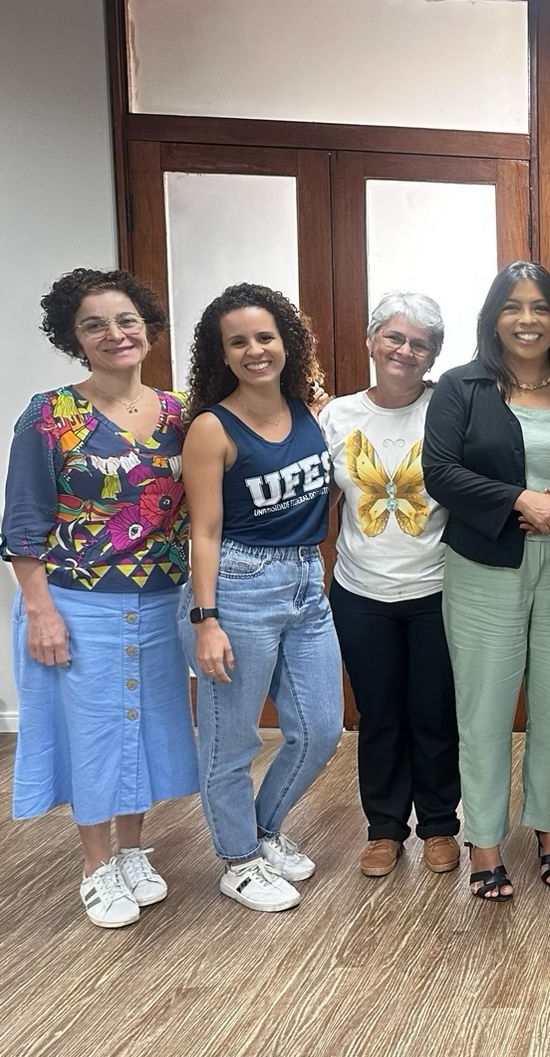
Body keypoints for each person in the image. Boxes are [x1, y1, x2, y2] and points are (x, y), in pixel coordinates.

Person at [2, 269, 197, 928]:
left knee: (142, 730)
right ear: (73, 338)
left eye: (126, 321)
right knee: (90, 736)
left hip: (160, 600)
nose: (115, 334)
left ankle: (134, 849)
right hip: (75, 603)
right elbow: (23, 521)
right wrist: (39, 610)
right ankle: (96, 865)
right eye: (95, 324)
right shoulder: (49, 414)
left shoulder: (181, 414)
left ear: (147, 328)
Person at [421, 263, 550, 901]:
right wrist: (520, 498)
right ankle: (486, 844)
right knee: (486, 711)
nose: (528, 320)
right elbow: (440, 472)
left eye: (541, 306)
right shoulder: (461, 388)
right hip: (485, 568)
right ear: (494, 317)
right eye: (513, 307)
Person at [180, 283, 342, 913]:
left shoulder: (311, 412)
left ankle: (263, 829)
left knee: (321, 727)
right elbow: (205, 530)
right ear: (222, 354)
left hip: (307, 583)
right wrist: (206, 619)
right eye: (238, 341)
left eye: (265, 337)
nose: (254, 350)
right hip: (238, 588)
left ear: (287, 342)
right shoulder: (211, 428)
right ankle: (238, 860)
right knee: (231, 739)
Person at [319, 293, 460, 881]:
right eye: (394, 338)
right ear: (371, 341)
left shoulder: (450, 410)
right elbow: (320, 501)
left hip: (439, 590)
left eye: (420, 343)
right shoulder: (337, 417)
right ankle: (382, 829)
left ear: (434, 354)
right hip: (361, 593)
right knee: (379, 715)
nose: (405, 351)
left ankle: (438, 826)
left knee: (434, 713)